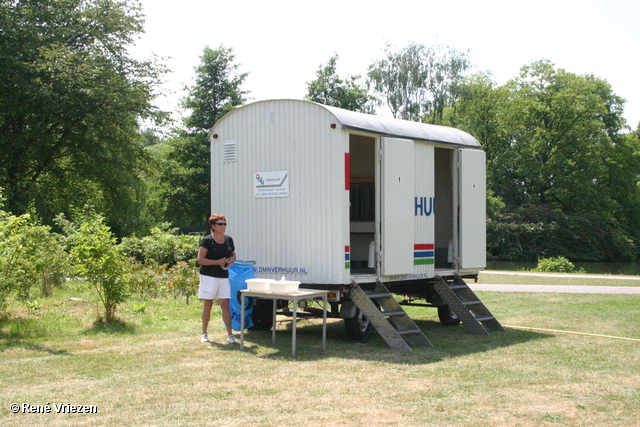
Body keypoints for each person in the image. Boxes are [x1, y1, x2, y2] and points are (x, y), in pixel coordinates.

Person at [197, 214, 237, 344]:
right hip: (209, 276)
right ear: (213, 226)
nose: (223, 226)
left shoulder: (229, 239)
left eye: (224, 224)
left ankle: (230, 335)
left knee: (225, 304)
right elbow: (200, 260)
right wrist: (216, 262)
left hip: (223, 277)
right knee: (208, 304)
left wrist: (231, 260)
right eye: (220, 224)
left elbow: (233, 255)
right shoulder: (207, 240)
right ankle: (204, 333)